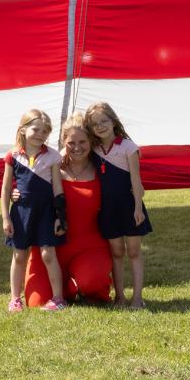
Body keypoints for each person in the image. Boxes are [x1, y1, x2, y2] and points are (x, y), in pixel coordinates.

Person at [22, 122, 113, 305]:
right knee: (37, 302)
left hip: (89, 247)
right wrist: (15, 194)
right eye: (71, 142)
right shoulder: (48, 166)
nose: (77, 148)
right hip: (49, 248)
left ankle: (79, 283)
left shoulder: (102, 167)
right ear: (63, 141)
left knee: (92, 284)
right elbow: (23, 178)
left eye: (82, 142)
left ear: (91, 141)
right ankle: (68, 288)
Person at [84, 100, 152, 309]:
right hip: (107, 209)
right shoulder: (92, 148)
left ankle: (138, 297)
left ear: (113, 121)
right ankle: (120, 296)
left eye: (104, 121)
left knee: (133, 251)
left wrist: (138, 208)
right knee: (116, 252)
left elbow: (136, 181)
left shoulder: (128, 147)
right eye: (95, 124)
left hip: (129, 208)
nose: (100, 126)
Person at [1, 108, 67, 312]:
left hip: (46, 213)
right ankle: (15, 298)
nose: (40, 134)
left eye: (45, 131)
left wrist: (60, 216)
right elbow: (5, 188)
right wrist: (5, 218)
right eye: (36, 129)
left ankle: (58, 298)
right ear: (23, 130)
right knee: (19, 255)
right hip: (21, 214)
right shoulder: (12, 156)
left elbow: (57, 187)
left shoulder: (53, 156)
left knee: (48, 254)